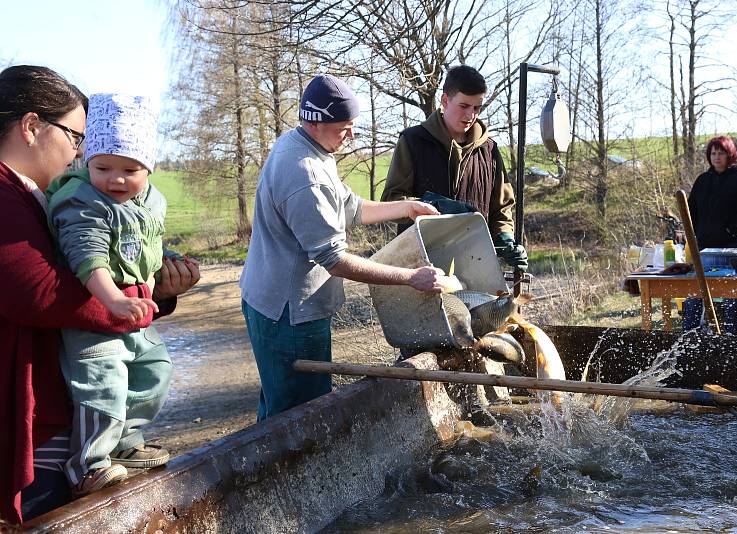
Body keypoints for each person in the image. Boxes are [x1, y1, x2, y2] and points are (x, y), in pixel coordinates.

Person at [0, 66, 199, 524]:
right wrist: (132, 307)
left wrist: (156, 292)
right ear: (32, 127)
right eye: (76, 137)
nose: (79, 151)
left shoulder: (36, 195)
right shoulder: (2, 195)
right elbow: (38, 292)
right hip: (25, 424)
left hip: (48, 415)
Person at [240, 74, 448, 421]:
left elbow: (350, 207)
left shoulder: (307, 147)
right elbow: (334, 260)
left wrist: (407, 206)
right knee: (297, 418)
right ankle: (291, 476)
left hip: (271, 300)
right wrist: (412, 277)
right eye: (344, 127)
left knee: (278, 402)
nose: (351, 135)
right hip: (290, 314)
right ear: (315, 120)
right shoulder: (305, 173)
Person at [46, 93, 197, 497]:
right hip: (94, 319)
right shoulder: (82, 200)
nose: (115, 179)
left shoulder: (151, 202)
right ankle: (88, 465)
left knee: (156, 369)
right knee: (103, 385)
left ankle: (125, 443)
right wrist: (113, 299)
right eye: (103, 167)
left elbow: (147, 245)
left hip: (135, 315)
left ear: (149, 166)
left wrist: (170, 264)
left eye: (130, 169)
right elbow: (87, 253)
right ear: (86, 162)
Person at [380, 65, 527, 271]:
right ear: (445, 100)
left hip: (475, 266)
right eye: (464, 106)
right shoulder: (413, 141)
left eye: (477, 108)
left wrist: (506, 239)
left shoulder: (489, 150)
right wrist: (432, 206)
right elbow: (390, 201)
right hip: (420, 266)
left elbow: (501, 209)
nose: (471, 115)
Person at [683, 135, 737, 334]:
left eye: (721, 153)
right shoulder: (703, 180)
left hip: (734, 246)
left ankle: (732, 337)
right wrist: (690, 233)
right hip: (705, 247)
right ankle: (689, 336)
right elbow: (691, 211)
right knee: (696, 292)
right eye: (713, 153)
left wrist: (728, 230)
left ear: (730, 154)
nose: (717, 157)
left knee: (731, 294)